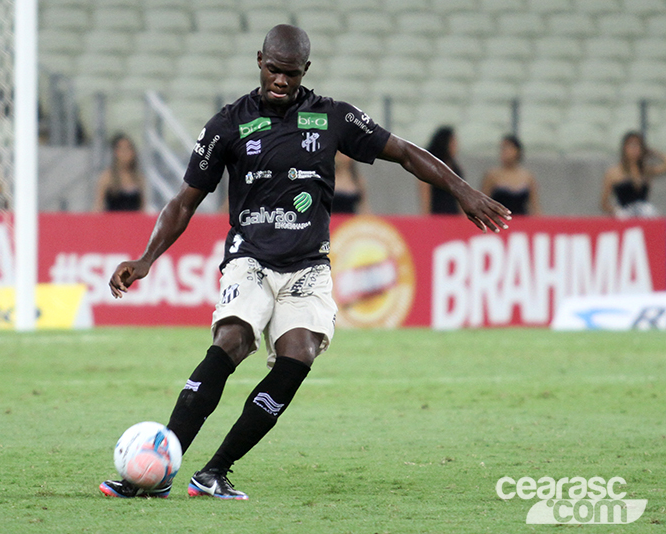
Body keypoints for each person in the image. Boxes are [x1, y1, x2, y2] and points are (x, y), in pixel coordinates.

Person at [99, 25, 511, 501]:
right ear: (259, 61)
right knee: (232, 340)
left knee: (299, 356)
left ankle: (214, 471)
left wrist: (463, 191)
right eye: (274, 69)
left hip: (308, 267)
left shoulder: (332, 116)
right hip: (250, 259)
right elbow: (183, 202)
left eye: (291, 73)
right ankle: (159, 468)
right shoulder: (226, 125)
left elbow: (402, 152)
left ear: (305, 71)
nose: (281, 80)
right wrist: (147, 257)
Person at [601, 131, 666, 218]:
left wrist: (652, 152)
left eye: (638, 145)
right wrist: (616, 211)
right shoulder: (614, 172)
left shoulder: (645, 170)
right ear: (624, 148)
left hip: (644, 214)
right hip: (625, 214)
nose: (635, 149)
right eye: (631, 145)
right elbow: (604, 203)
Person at [481, 135, 541, 216]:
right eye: (503, 148)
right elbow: (483, 202)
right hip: (499, 219)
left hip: (521, 220)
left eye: (508, 148)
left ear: (517, 151)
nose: (505, 152)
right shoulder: (492, 175)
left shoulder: (527, 176)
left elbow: (534, 206)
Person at [93, 134, 146, 212]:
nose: (125, 153)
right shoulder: (107, 177)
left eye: (128, 149)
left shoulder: (139, 178)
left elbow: (142, 208)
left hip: (133, 219)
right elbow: (98, 205)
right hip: (113, 218)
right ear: (115, 152)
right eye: (121, 149)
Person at [418, 126, 462, 215]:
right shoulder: (429, 166)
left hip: (454, 214)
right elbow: (425, 194)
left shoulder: (454, 167)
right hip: (437, 214)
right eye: (452, 144)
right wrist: (426, 215)